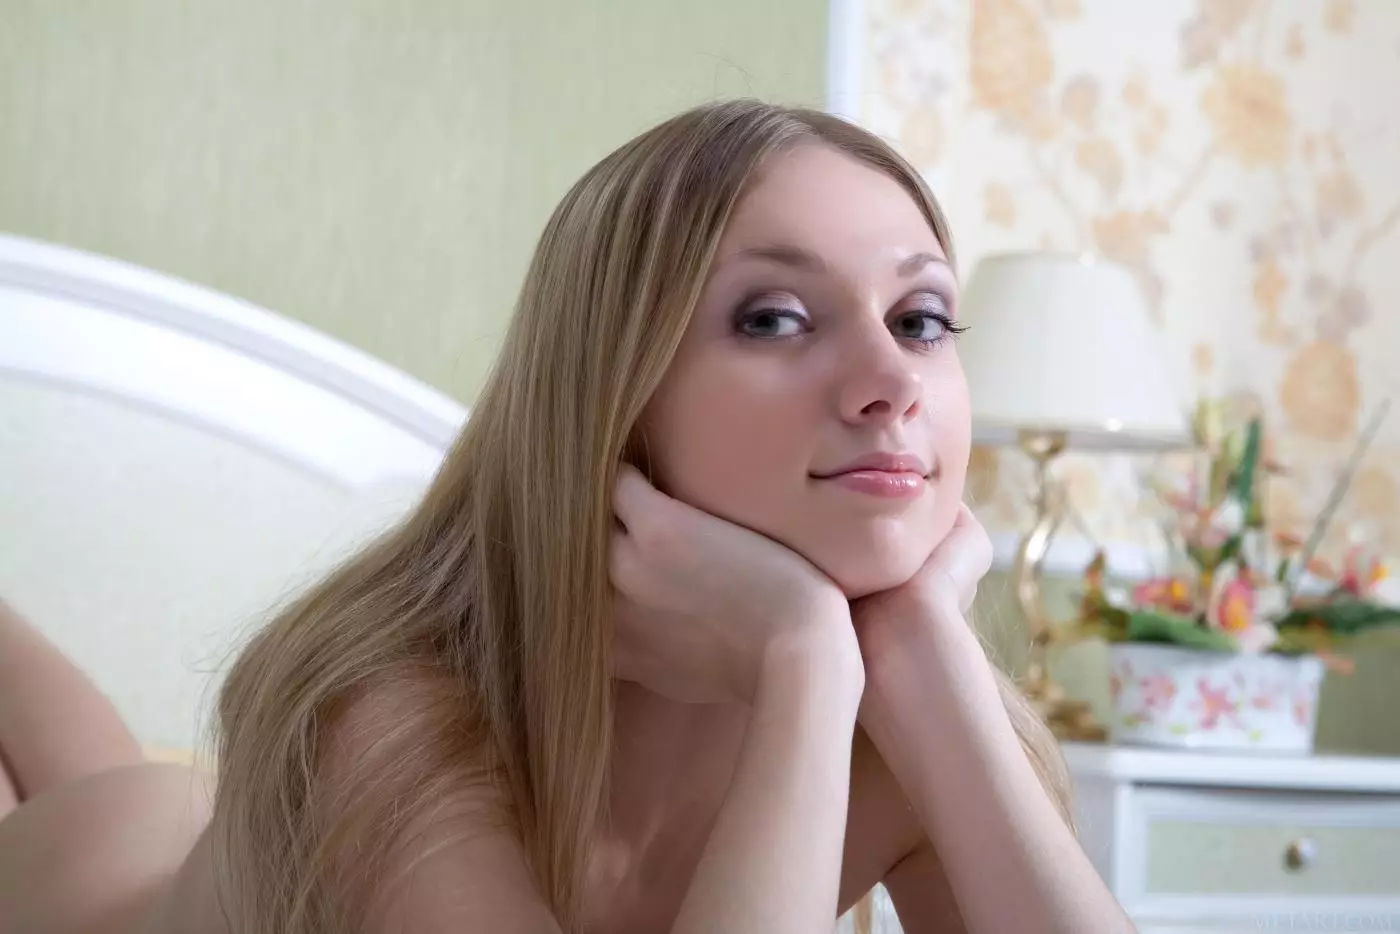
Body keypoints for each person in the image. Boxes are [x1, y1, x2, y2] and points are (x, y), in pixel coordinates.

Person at [0, 99, 1136, 934]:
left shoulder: (915, 723)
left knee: (109, 767)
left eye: (921, 318)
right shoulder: (390, 717)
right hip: (75, 889)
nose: (890, 381)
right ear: (614, 396)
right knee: (82, 773)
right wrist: (802, 664)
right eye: (776, 318)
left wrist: (925, 653)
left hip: (172, 823)